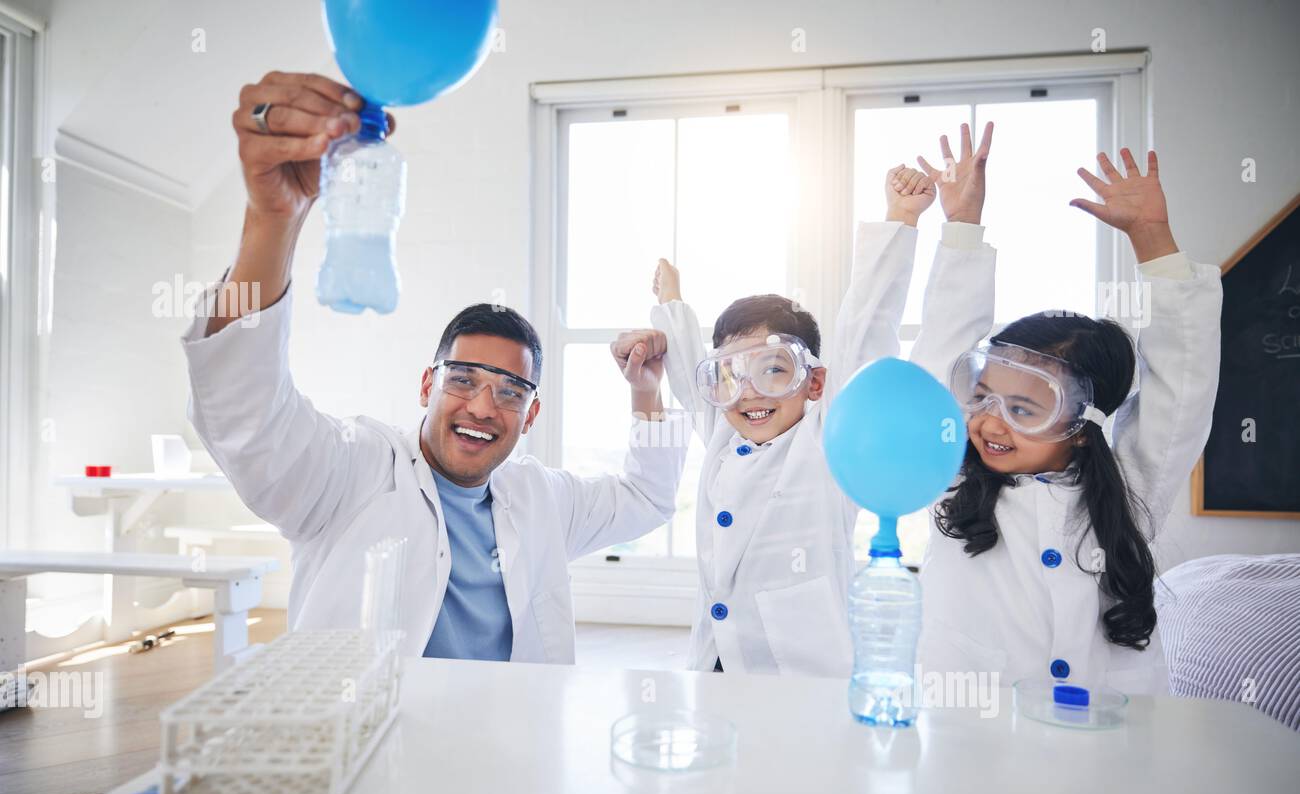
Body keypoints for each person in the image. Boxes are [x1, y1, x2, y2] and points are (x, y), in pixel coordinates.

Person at [183, 71, 686, 662]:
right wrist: (272, 220)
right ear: (428, 383)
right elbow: (250, 418)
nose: (481, 407)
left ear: (533, 412)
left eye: (510, 392)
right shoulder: (353, 473)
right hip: (374, 742)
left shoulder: (541, 499)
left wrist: (647, 391)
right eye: (463, 379)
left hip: (510, 744)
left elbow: (647, 500)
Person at [642, 149, 995, 677]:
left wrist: (902, 220)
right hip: (714, 664)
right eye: (733, 375)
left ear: (816, 381)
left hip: (807, 674)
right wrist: (671, 303)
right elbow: (691, 371)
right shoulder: (721, 428)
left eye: (775, 370)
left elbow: (866, 324)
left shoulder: (826, 439)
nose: (751, 393)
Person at [910, 141, 1224, 695]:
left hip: (1104, 748)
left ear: (1083, 424)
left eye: (1026, 408)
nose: (990, 421)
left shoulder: (1129, 489)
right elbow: (943, 350)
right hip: (971, 742)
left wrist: (1153, 240)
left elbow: (1183, 390)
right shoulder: (955, 480)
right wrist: (961, 227)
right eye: (982, 396)